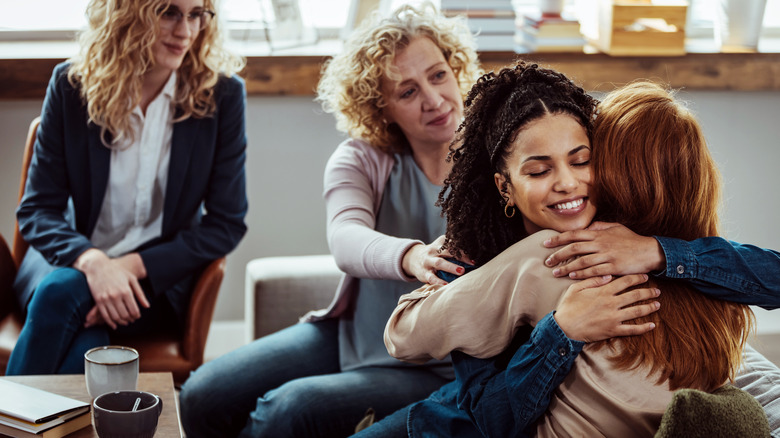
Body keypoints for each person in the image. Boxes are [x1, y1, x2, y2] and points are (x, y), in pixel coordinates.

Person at [384, 66, 777, 436]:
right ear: (505, 186)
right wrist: (562, 332)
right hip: (450, 415)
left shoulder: (616, 242)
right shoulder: (500, 257)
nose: (568, 183)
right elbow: (477, 403)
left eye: (582, 161)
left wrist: (656, 251)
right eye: (539, 171)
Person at [178, 4, 482, 437]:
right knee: (201, 393)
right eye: (407, 91)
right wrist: (413, 256)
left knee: (287, 410)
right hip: (353, 336)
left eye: (437, 76)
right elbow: (345, 237)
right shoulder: (362, 158)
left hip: (439, 366)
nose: (433, 100)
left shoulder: (497, 159)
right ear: (382, 108)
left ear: (456, 71)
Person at [7, 0, 247, 376]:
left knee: (64, 302)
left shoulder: (223, 96)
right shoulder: (72, 86)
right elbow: (37, 210)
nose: (185, 31)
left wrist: (126, 270)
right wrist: (95, 263)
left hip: (153, 284)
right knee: (71, 315)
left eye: (196, 14)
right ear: (128, 13)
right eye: (168, 11)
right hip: (69, 262)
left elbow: (226, 224)